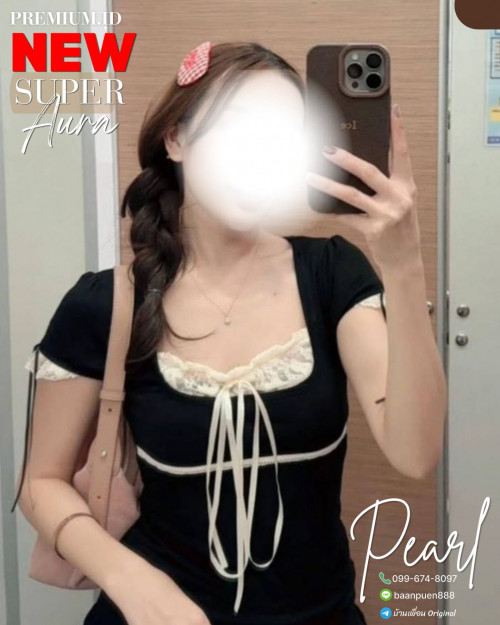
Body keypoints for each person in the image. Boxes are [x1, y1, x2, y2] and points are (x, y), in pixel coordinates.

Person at [14, 42, 447, 625]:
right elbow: (41, 482)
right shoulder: (106, 304)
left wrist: (402, 264)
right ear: (176, 139)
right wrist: (128, 579)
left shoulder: (332, 275)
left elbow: (416, 453)